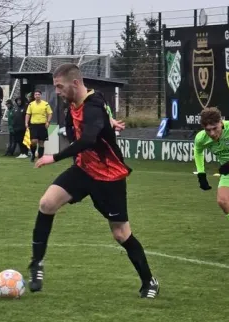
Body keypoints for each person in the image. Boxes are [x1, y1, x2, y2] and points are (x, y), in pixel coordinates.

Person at [27, 63, 159, 299]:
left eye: (60, 86)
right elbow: (92, 126)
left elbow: (88, 139)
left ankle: (149, 281)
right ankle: (36, 265)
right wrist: (109, 124)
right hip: (83, 170)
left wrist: (53, 157)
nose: (57, 91)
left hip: (109, 176)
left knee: (120, 234)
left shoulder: (94, 104)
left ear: (75, 83)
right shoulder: (74, 105)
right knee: (47, 204)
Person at [194, 107, 229, 225]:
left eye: (214, 128)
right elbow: (198, 151)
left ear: (221, 122)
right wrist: (201, 174)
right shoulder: (201, 138)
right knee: (223, 201)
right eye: (208, 130)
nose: (212, 133)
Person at [25, 89, 53, 162]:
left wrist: (48, 122)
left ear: (41, 95)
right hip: (34, 125)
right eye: (36, 94)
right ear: (34, 96)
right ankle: (33, 154)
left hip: (42, 125)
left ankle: (40, 158)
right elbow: (28, 114)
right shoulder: (31, 104)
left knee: (41, 142)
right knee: (33, 141)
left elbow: (50, 113)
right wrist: (26, 123)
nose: (37, 96)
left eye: (38, 94)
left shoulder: (46, 104)